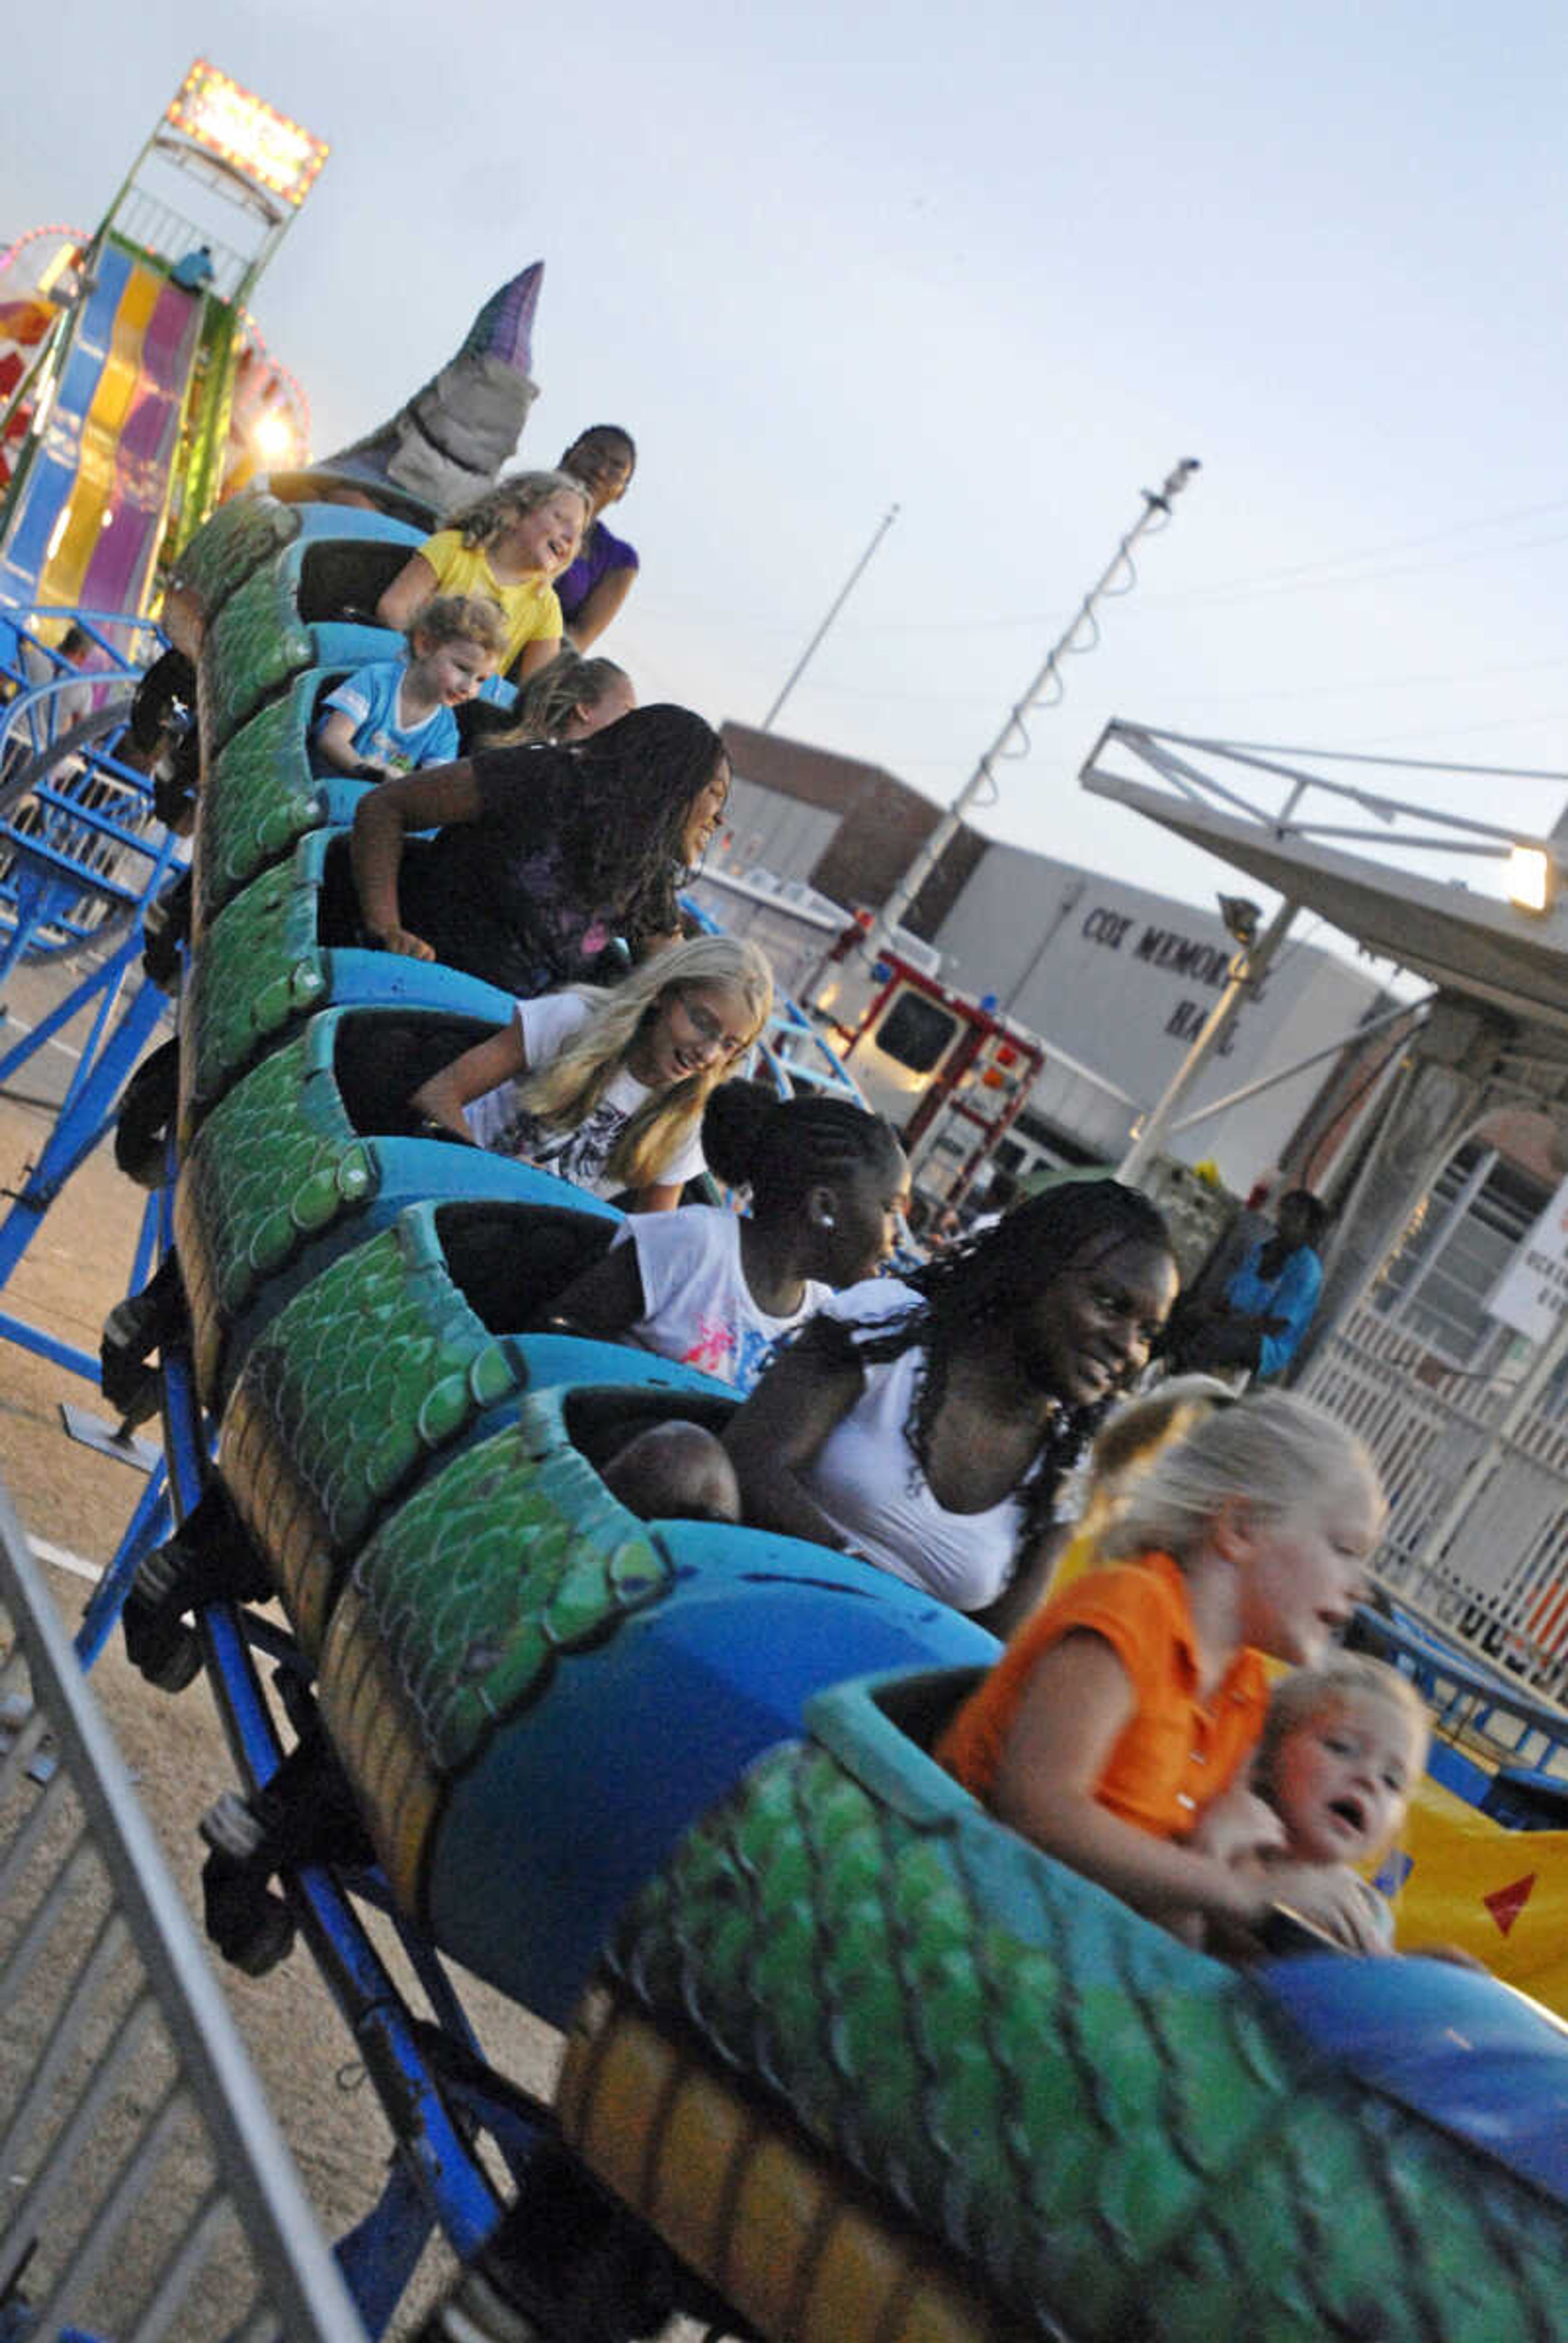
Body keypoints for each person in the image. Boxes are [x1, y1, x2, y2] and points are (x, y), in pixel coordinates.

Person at [935, 1391, 1386, 1947]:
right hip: (960, 1905)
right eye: (1344, 1548)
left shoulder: (1242, 1689)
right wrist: (1239, 1892)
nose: (1360, 1587)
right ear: (1241, 1527)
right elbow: (1040, 1810)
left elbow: (1176, 1886)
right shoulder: (1131, 1608)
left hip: (1061, 1937)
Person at [718, 1179, 1179, 1615]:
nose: (1128, 1345)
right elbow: (751, 1460)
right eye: (1110, 1303)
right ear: (1035, 1270)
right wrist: (862, 1585)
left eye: (1148, 1333)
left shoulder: (1069, 1462)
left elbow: (990, 1656)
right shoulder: (888, 1324)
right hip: (746, 1593)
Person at [346, 705, 732, 997]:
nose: (720, 820)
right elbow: (384, 808)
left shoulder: (647, 875)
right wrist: (387, 930)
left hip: (497, 1043)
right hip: (407, 992)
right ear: (668, 781)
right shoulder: (542, 776)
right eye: (715, 793)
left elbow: (669, 982)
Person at [548, 1080, 908, 1390]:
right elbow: (558, 1332)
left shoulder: (820, 1319)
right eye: (890, 1209)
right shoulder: (694, 1243)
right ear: (824, 1208)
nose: (900, 1238)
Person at [408, 934, 772, 1210]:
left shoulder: (691, 1118)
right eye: (702, 1022)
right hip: (443, 1184)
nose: (708, 1054)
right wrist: (493, 1174)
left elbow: (644, 1242)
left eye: (729, 1046)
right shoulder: (574, 1019)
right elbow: (437, 1096)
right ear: (664, 993)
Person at [1191, 1652, 1430, 1953]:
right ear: (1266, 1753)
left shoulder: (1368, 1912)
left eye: (1392, 1781)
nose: (1370, 1780)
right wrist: (1209, 1852)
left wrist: (1415, 1972)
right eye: (1342, 1747)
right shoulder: (1225, 1839)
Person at [374, 470, 590, 684]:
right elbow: (393, 608)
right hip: (410, 676)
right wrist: (433, 657)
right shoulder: (453, 548)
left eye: (578, 532)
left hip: (468, 700)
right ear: (516, 512)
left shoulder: (546, 605)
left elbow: (537, 688)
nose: (570, 537)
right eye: (561, 519)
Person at [313, 595, 506, 779]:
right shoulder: (377, 681)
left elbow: (432, 787)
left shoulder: (445, 731)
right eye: (462, 668)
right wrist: (374, 777)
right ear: (425, 646)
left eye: (481, 680)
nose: (469, 688)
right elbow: (332, 740)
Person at [1173, 1189, 1329, 1382]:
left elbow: (1275, 1327)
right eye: (1286, 1210)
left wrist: (1222, 1320)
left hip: (1268, 1347)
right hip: (1235, 1323)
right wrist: (1205, 1308)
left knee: (1216, 1336)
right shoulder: (1262, 1249)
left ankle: (1181, 1388)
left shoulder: (1307, 1270)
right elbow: (1228, 1299)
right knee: (1182, 1307)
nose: (1286, 1218)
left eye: (1296, 1215)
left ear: (1309, 1230)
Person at [456, 648, 635, 756]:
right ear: (585, 709)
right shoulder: (483, 721)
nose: (635, 721)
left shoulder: (582, 785)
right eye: (627, 711)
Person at [554, 426, 639, 648]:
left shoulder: (619, 560)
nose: (600, 471)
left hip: (532, 663)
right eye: (594, 455)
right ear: (568, 456)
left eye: (616, 469)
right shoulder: (517, 502)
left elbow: (580, 640)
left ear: (621, 493)